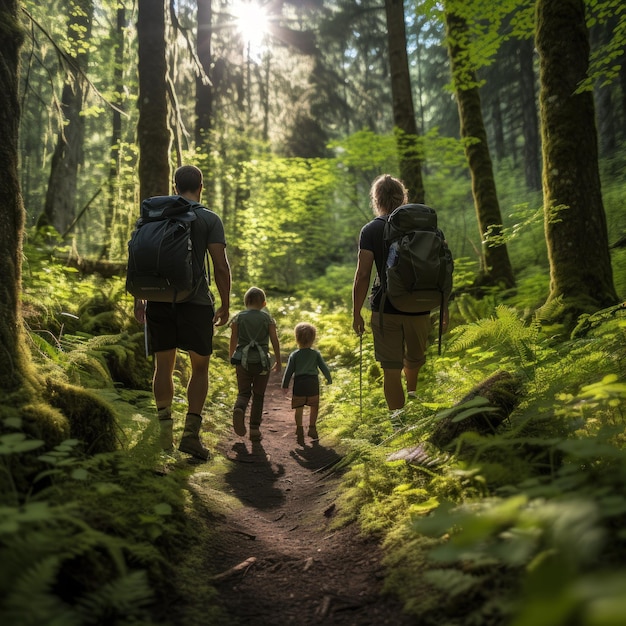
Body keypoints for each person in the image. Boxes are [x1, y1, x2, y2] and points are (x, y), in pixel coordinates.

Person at [134, 164, 231, 460]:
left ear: (175, 186)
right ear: (201, 186)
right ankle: (191, 436)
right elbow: (220, 265)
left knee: (163, 367)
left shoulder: (154, 214)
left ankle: (165, 436)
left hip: (158, 299)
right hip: (197, 301)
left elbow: (140, 259)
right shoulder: (208, 218)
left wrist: (139, 300)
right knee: (199, 367)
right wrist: (226, 303)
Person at [352, 174, 448, 419]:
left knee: (391, 369)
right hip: (422, 307)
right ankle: (414, 397)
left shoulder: (371, 229)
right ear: (403, 196)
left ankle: (399, 424)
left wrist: (356, 313)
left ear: (376, 199)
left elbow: (363, 274)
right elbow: (442, 269)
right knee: (414, 360)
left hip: (386, 309)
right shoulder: (427, 228)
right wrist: (444, 307)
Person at [229, 286, 281, 442]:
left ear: (246, 302)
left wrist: (232, 356)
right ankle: (254, 429)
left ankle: (239, 408)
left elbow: (233, 339)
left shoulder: (238, 317)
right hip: (261, 362)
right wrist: (278, 360)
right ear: (264, 303)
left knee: (243, 392)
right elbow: (274, 340)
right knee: (258, 395)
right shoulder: (268, 319)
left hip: (242, 361)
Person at [281, 322, 332, 446]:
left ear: (296, 338)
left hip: (299, 383)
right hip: (312, 383)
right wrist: (329, 378)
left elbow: (289, 371)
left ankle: (299, 429)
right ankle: (312, 428)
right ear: (313, 338)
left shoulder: (295, 355)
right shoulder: (315, 354)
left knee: (299, 408)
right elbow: (323, 367)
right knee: (314, 406)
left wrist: (285, 385)